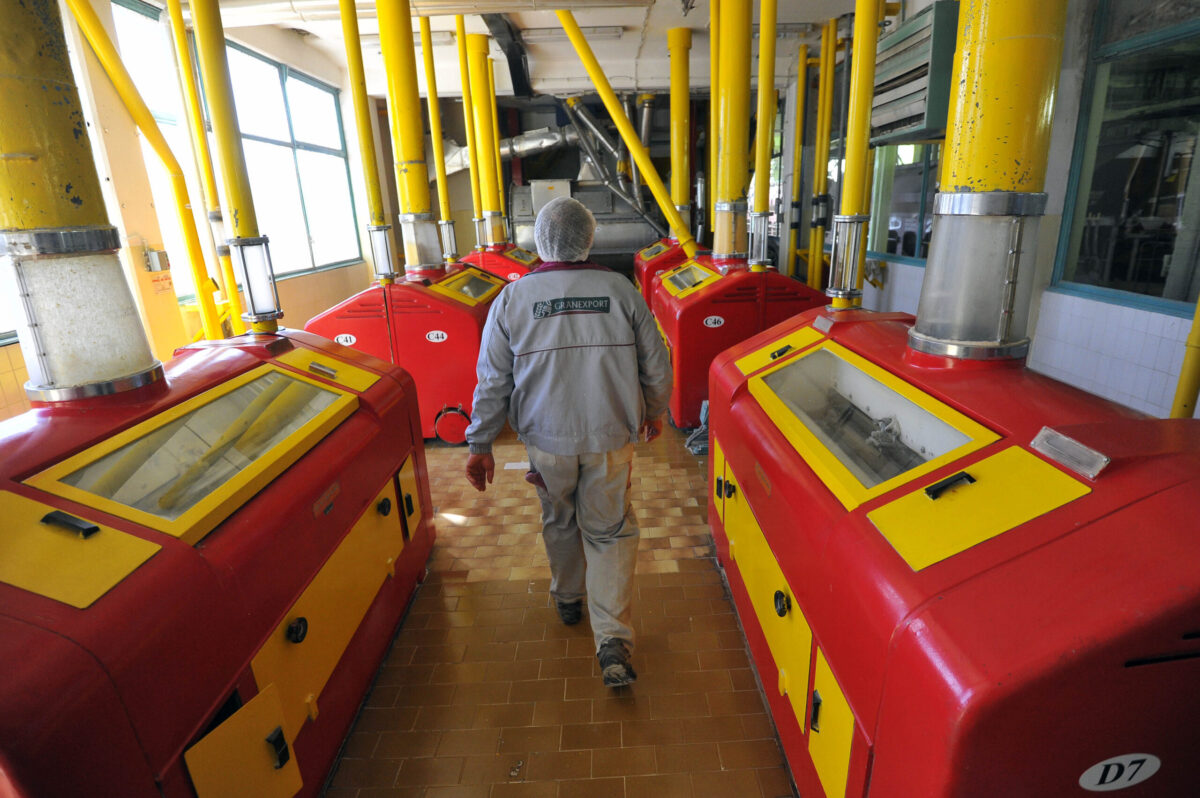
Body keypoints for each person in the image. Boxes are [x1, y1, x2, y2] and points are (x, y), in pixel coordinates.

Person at [464, 196, 672, 687]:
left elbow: (493, 380)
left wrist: (480, 444)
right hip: (609, 436)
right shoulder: (620, 290)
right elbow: (657, 365)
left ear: (540, 240)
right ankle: (613, 640)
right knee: (609, 531)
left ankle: (568, 600)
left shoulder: (512, 300)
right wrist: (656, 412)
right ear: (589, 238)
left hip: (546, 441)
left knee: (558, 517)